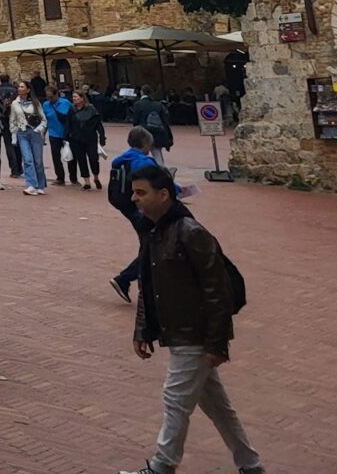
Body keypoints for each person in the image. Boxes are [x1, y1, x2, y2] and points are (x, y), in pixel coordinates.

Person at [123, 166, 262, 474]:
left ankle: (162, 466)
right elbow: (149, 286)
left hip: (194, 334)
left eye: (141, 193)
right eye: (134, 192)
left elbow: (217, 292)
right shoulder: (154, 232)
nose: (135, 199)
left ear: (163, 195)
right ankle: (250, 464)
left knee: (175, 398)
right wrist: (143, 329)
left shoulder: (191, 232)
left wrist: (217, 342)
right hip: (179, 331)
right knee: (216, 405)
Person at [107, 127, 163, 303]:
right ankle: (125, 279)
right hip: (143, 209)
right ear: (145, 143)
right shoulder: (144, 162)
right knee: (154, 247)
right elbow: (155, 183)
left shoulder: (121, 160)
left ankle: (145, 285)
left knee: (148, 243)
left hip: (128, 207)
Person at [9, 80, 48, 195]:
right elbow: (13, 120)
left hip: (35, 133)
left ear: (28, 90)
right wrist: (14, 134)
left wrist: (38, 129)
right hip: (22, 133)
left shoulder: (35, 103)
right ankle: (31, 184)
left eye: (22, 87)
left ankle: (40, 184)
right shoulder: (15, 104)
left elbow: (43, 119)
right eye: (19, 87)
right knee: (27, 159)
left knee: (38, 160)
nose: (19, 89)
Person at [68, 84, 107, 189]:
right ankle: (87, 182)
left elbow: (98, 124)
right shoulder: (71, 109)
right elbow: (68, 124)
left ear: (82, 98)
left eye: (76, 97)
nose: (74, 99)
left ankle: (96, 177)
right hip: (76, 139)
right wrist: (66, 138)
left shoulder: (91, 109)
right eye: (73, 97)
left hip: (90, 138)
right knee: (81, 160)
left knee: (93, 159)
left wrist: (102, 137)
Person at [43, 85, 74, 186]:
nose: (50, 99)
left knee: (71, 156)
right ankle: (60, 178)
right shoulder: (46, 105)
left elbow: (73, 117)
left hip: (67, 134)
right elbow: (45, 120)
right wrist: (43, 134)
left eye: (51, 97)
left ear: (56, 94)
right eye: (48, 97)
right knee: (56, 157)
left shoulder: (66, 103)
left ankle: (73, 177)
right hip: (53, 134)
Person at [131, 85, 176, 153]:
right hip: (157, 132)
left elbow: (135, 121)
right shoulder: (158, 105)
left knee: (140, 155)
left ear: (142, 92)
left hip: (143, 133)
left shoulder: (138, 104)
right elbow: (165, 122)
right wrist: (169, 137)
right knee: (157, 154)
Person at [0, 75, 24, 178]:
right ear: (9, 79)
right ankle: (20, 167)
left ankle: (14, 169)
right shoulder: (16, 91)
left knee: (8, 144)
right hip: (16, 119)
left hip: (4, 120)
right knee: (18, 143)